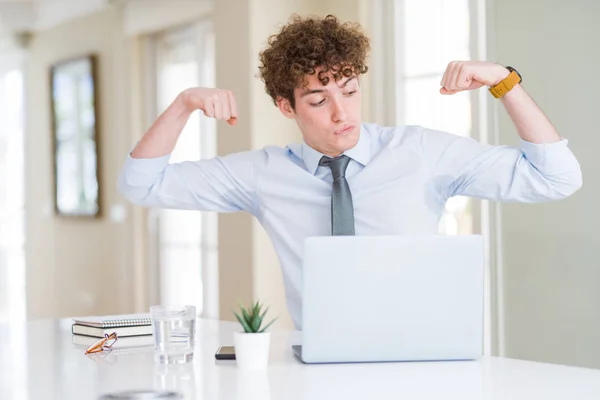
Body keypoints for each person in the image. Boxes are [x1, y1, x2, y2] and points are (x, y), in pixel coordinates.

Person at [118, 15, 582, 330]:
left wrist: (505, 81)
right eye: (319, 100)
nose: (341, 113)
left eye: (350, 90)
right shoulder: (263, 174)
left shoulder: (421, 152)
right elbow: (141, 184)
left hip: (422, 361)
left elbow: (557, 178)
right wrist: (182, 106)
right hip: (318, 368)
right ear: (286, 106)